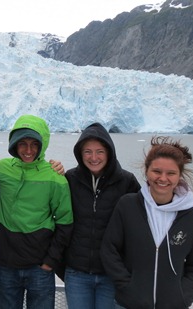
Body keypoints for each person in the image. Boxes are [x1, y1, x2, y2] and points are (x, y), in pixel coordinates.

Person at [101, 136, 193, 309]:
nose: (163, 178)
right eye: (157, 171)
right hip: (129, 304)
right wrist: (127, 287)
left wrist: (182, 296)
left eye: (171, 173)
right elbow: (109, 250)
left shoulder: (192, 217)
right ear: (146, 171)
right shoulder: (128, 206)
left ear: (179, 176)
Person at [0, 114, 73, 309]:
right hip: (6, 266)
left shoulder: (55, 178)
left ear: (42, 145)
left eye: (34, 144)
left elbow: (65, 222)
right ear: (14, 144)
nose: (28, 150)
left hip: (39, 269)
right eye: (22, 144)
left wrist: (50, 261)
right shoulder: (1, 169)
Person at [63, 122, 141, 309]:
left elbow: (143, 223)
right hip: (77, 274)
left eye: (99, 151)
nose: (94, 157)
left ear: (109, 152)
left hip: (112, 275)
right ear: (80, 154)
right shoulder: (70, 179)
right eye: (87, 152)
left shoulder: (126, 181)